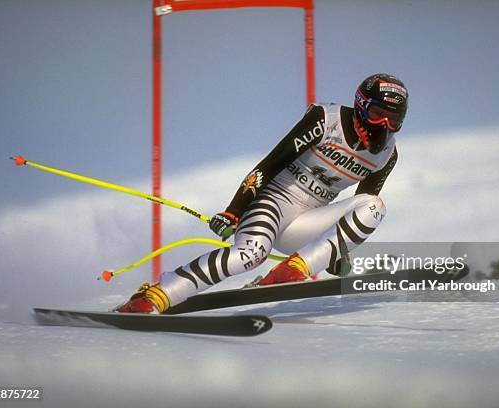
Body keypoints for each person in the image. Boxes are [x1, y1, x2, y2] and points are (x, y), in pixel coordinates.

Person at [116, 73, 408, 314]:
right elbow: (271, 163)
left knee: (374, 206)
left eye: (393, 119)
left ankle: (293, 269)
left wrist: (335, 254)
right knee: (248, 255)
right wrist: (234, 210)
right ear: (360, 105)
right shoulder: (325, 120)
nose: (384, 125)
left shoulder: (387, 155)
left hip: (307, 223)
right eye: (377, 114)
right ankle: (154, 296)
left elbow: (354, 208)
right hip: (272, 202)